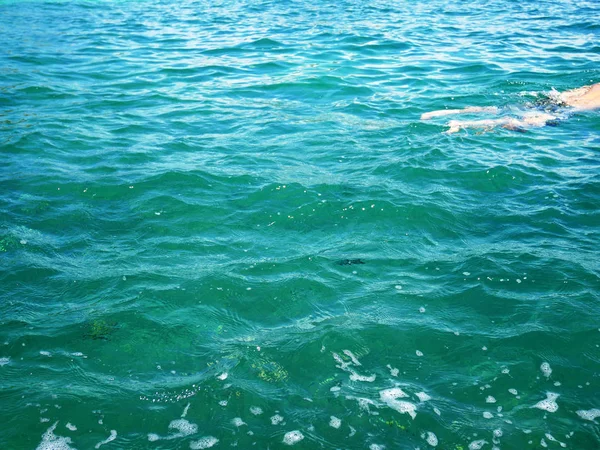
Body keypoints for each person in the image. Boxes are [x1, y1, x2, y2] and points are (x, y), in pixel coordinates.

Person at [421, 82, 600, 133]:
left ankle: (447, 112)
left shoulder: (596, 85)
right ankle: (462, 124)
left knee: (497, 108)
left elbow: (566, 94)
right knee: (522, 122)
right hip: (565, 110)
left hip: (554, 100)